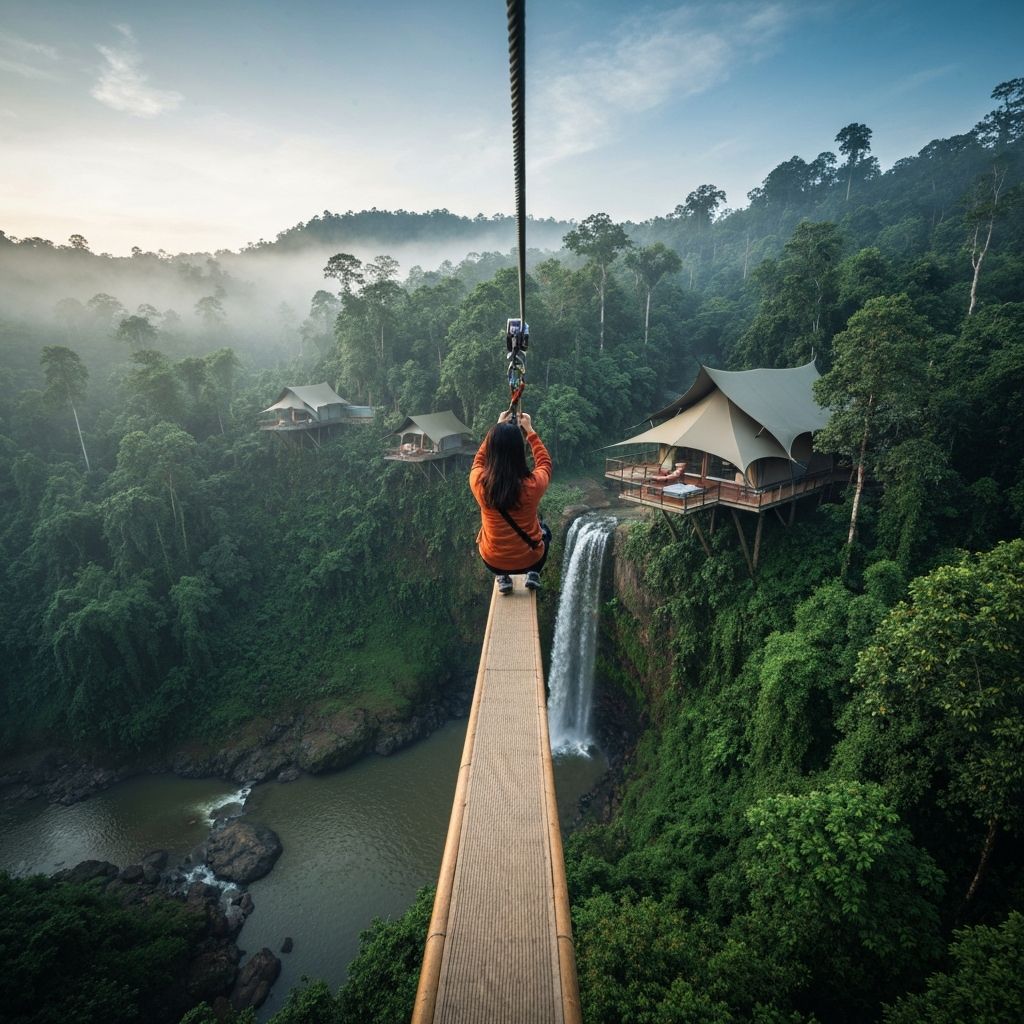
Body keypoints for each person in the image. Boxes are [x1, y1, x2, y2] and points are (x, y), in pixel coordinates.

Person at [469, 409, 552, 595]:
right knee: (546, 532)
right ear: (519, 452)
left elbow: (478, 462)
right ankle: (532, 573)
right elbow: (545, 464)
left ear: (493, 449)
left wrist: (496, 428)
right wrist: (530, 431)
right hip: (531, 560)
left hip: (493, 561)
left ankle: (503, 577)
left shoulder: (480, 484)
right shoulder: (532, 486)